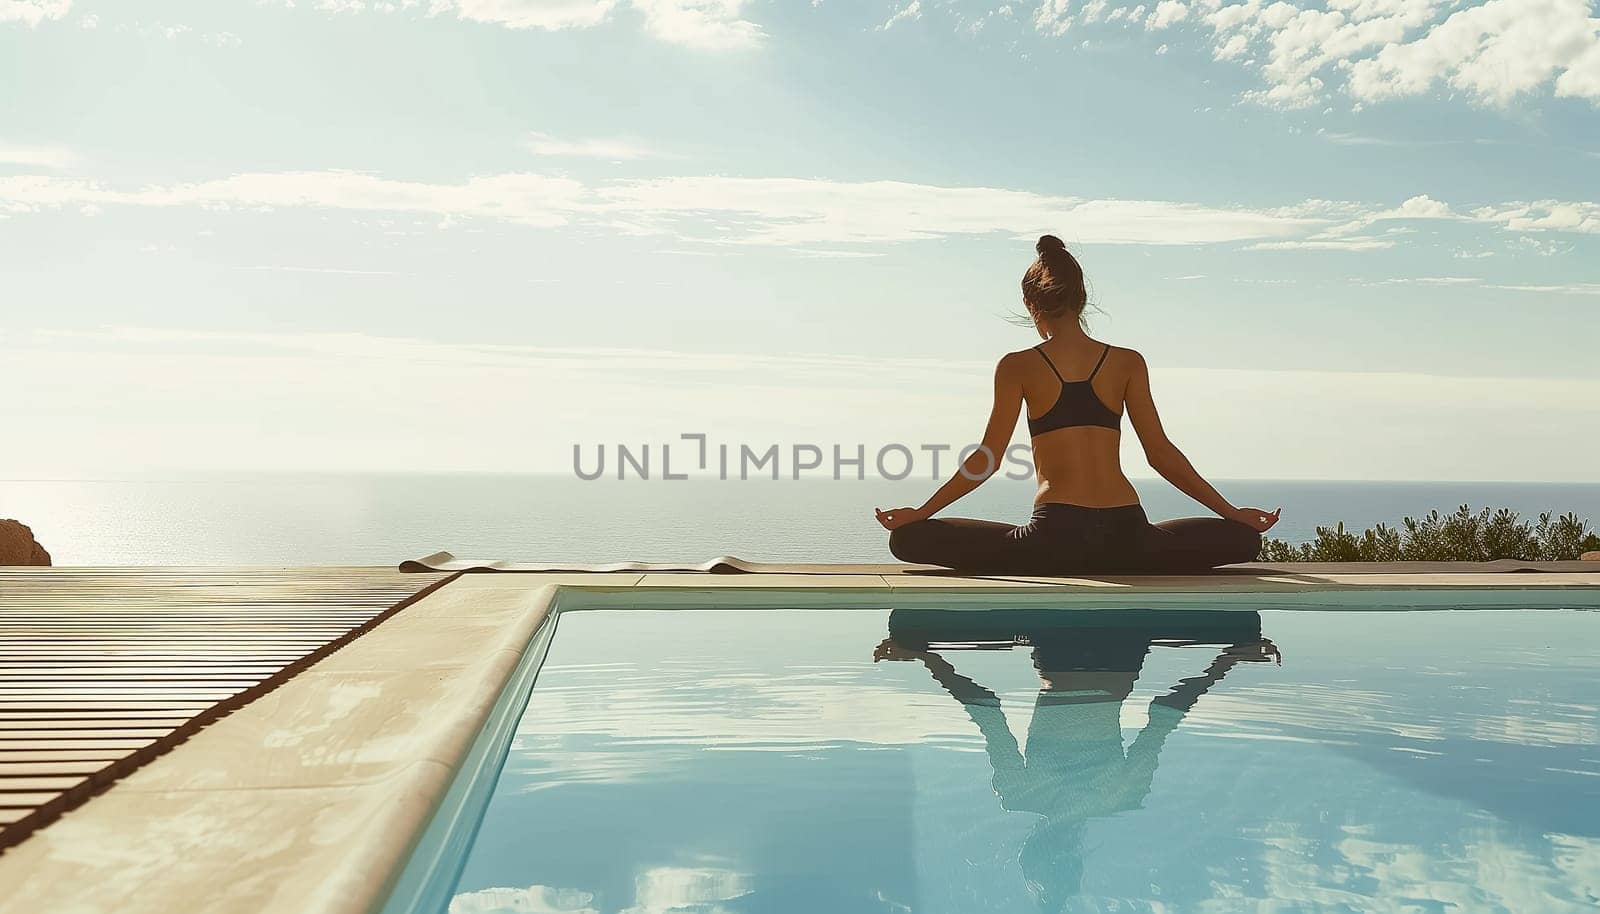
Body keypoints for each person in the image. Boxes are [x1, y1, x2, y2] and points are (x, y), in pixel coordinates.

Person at [874, 234, 1280, 573]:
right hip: (1129, 538)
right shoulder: (1126, 362)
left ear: (1031, 305)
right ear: (1082, 298)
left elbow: (988, 459)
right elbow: (1161, 455)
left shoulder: (1018, 366)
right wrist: (1232, 512)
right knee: (1243, 540)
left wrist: (921, 511)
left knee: (908, 539)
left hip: (1053, 540)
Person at [874, 608, 1281, 909]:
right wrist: (926, 657)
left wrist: (1228, 659)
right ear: (1032, 846)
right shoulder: (1023, 795)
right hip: (1065, 646)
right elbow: (987, 710)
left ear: (1075, 856)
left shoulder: (1118, 797)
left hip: (1115, 648)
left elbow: (1163, 716)